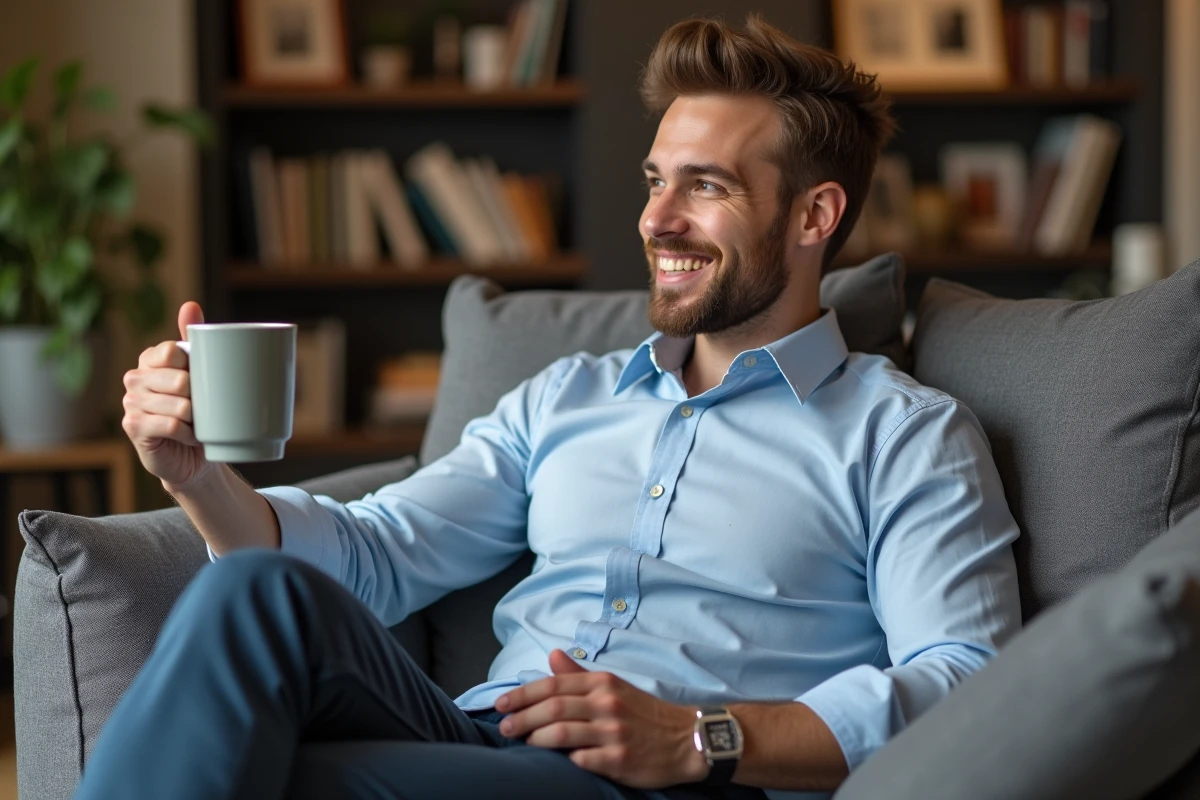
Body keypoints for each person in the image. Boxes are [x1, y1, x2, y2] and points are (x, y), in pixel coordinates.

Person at [78, 15, 1021, 800]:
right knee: (253, 591)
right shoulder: (567, 396)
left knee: (269, 774)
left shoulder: (904, 435)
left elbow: (970, 683)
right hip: (478, 736)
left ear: (815, 216)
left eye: (706, 186)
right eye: (656, 180)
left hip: (667, 782)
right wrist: (198, 478)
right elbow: (377, 554)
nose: (656, 220)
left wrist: (699, 735)